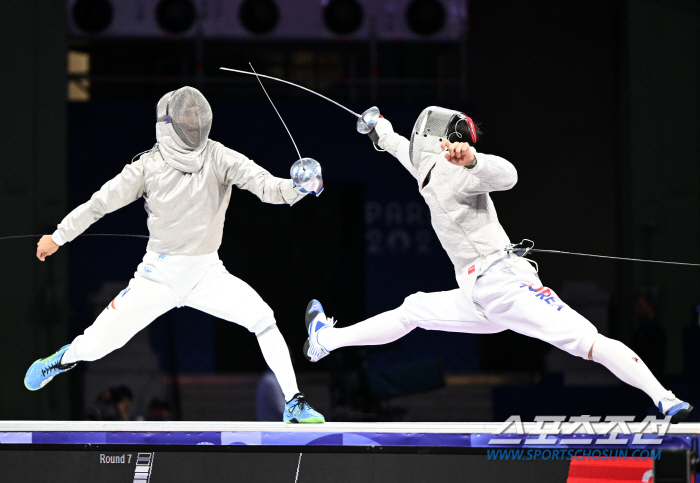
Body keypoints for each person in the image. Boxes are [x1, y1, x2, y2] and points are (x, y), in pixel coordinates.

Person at [303, 106, 692, 423]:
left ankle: (664, 398)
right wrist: (379, 128)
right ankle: (325, 340)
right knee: (414, 308)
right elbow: (398, 146)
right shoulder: (425, 169)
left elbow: (509, 175)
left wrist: (473, 160)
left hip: (505, 284)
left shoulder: (458, 171)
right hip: (478, 296)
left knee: (588, 341)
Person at [25, 86, 324, 424]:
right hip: (157, 276)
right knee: (96, 345)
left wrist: (299, 187)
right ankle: (62, 359)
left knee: (263, 319)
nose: (193, 122)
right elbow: (99, 204)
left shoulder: (220, 156)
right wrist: (59, 235)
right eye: (186, 116)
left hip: (208, 273)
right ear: (169, 122)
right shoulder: (146, 167)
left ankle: (294, 402)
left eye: (197, 115)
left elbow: (268, 187)